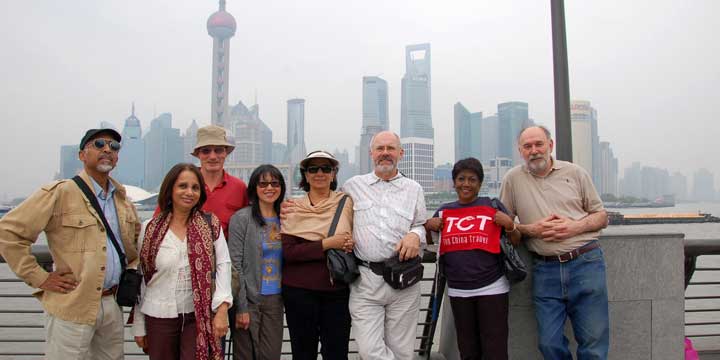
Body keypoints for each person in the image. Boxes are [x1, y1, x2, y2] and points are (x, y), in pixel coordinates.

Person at [0, 128, 140, 359]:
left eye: (114, 147)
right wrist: (40, 277)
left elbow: (134, 248)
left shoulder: (122, 200)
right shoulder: (60, 192)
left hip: (112, 305)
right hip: (72, 304)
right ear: (82, 155)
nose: (107, 149)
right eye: (99, 144)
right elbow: (8, 232)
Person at [499, 126, 609, 360]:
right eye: (527, 146)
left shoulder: (576, 173)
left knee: (593, 343)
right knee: (549, 344)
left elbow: (601, 216)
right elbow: (504, 225)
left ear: (551, 145)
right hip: (544, 268)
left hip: (586, 262)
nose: (534, 151)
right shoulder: (512, 179)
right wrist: (532, 229)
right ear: (520, 151)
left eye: (539, 144)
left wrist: (574, 226)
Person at [132, 163, 233, 360]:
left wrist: (222, 310)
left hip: (197, 316)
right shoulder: (150, 228)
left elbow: (223, 265)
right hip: (158, 314)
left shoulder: (210, 225)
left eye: (195, 187)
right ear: (170, 189)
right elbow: (142, 278)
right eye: (182, 186)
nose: (189, 192)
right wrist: (139, 325)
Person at [342, 131, 427, 360]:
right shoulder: (352, 186)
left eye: (390, 148)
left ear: (401, 153)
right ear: (371, 154)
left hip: (404, 280)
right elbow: (331, 215)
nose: (385, 154)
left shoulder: (414, 189)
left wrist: (415, 235)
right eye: (380, 149)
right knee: (369, 351)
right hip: (365, 281)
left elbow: (421, 224)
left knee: (402, 351)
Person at [424, 158, 520, 360]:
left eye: (472, 179)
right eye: (461, 179)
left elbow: (516, 241)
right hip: (459, 291)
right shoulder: (443, 211)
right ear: (453, 182)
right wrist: (427, 226)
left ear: (480, 183)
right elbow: (432, 246)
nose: (466, 184)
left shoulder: (492, 206)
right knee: (468, 350)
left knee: (495, 350)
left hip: (492, 288)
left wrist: (510, 225)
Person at [281, 150, 355, 360]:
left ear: (334, 174)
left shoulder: (347, 203)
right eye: (313, 169)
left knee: (337, 353)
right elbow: (288, 253)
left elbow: (360, 236)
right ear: (305, 175)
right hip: (298, 293)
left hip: (337, 291)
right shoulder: (292, 208)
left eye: (326, 168)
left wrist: (351, 241)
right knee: (303, 353)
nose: (319, 173)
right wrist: (327, 244)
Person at [228, 165, 287, 360]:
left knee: (271, 355)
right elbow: (235, 266)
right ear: (254, 188)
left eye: (274, 183)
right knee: (245, 355)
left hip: (276, 300)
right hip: (249, 298)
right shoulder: (241, 219)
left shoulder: (287, 219)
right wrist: (241, 307)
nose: (269, 188)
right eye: (263, 183)